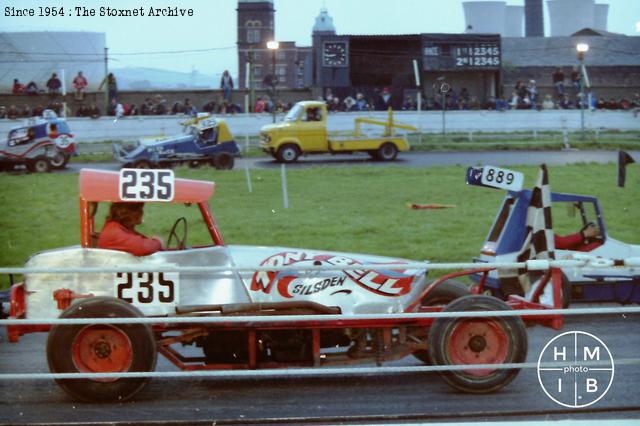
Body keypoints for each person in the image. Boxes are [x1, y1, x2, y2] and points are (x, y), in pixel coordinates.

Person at [97, 203, 163, 256]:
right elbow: (143, 247)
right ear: (127, 213)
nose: (142, 213)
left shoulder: (121, 228)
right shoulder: (113, 232)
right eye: (139, 209)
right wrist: (158, 242)